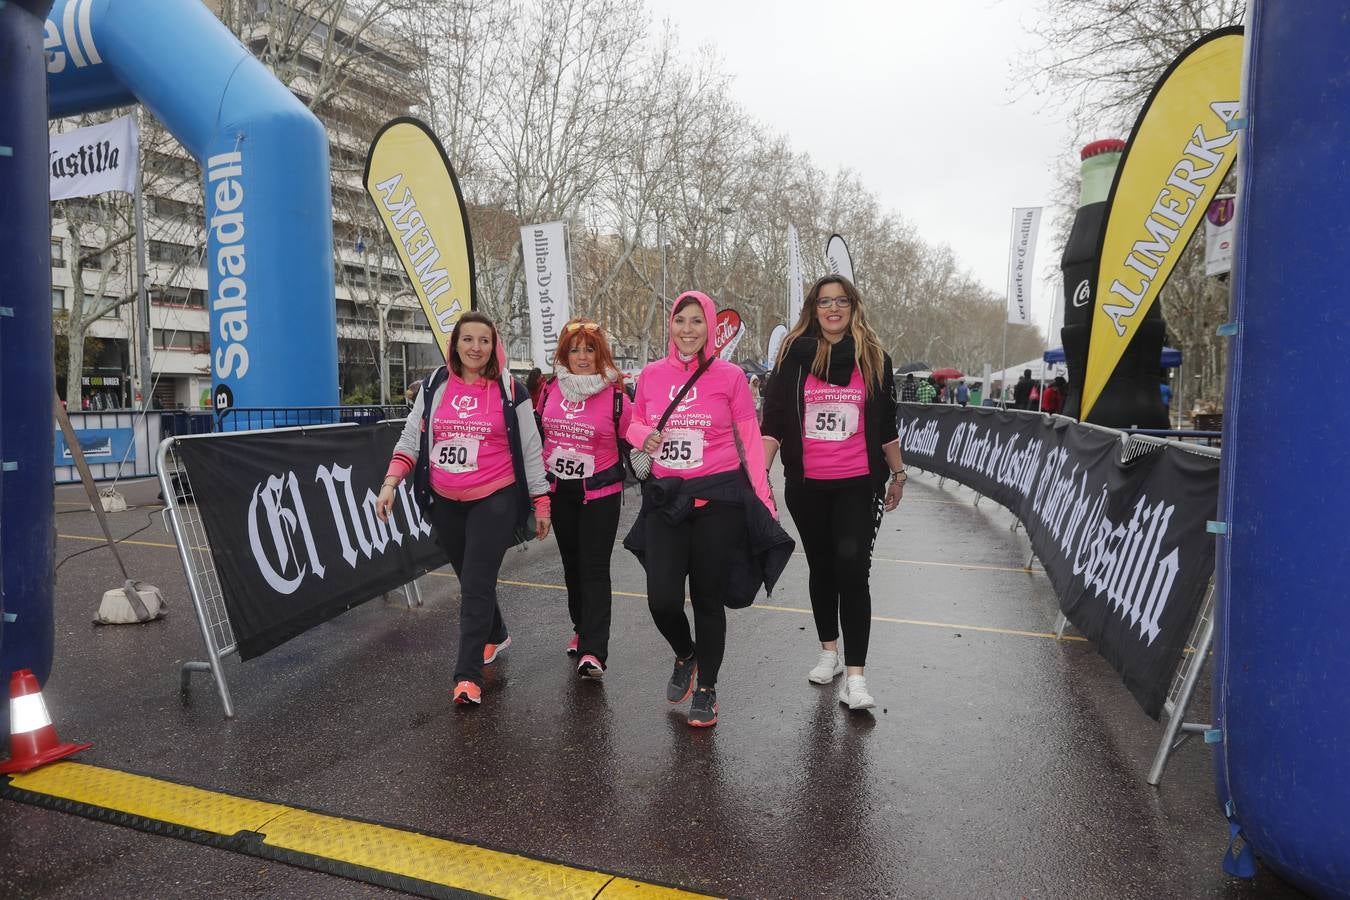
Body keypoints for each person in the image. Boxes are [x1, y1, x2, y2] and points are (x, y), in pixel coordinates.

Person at [623, 291, 792, 728]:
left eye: (697, 321)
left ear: (711, 327)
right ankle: (686, 654)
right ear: (670, 324)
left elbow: (751, 443)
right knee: (661, 599)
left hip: (719, 501)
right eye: (681, 320)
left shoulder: (731, 377)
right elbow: (632, 423)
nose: (688, 329)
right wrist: (643, 434)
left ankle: (708, 689)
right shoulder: (651, 375)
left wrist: (765, 499)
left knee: (706, 600)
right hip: (666, 500)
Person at [376, 311, 551, 707]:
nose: (476, 347)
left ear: (494, 346)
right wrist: (390, 483)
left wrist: (541, 501)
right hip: (445, 500)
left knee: (474, 583)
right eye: (467, 339)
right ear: (455, 344)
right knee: (472, 578)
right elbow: (410, 438)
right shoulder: (436, 384)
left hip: (495, 497)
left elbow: (531, 450)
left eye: (484, 340)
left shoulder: (512, 390)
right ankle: (497, 632)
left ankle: (467, 676)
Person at [761, 274, 905, 711]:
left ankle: (857, 679)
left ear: (853, 306)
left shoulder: (874, 358)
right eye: (825, 302)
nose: (833, 308)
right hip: (807, 486)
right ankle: (829, 653)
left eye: (841, 300)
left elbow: (886, 425)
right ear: (813, 308)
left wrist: (897, 475)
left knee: (852, 570)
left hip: (858, 485)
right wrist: (759, 477)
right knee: (822, 569)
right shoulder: (793, 356)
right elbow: (774, 421)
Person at [536, 318, 633, 677]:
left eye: (589, 349)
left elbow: (633, 432)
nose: (581, 356)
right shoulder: (550, 389)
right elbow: (538, 436)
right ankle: (580, 627)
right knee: (572, 566)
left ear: (600, 353)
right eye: (574, 349)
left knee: (594, 568)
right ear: (564, 353)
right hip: (560, 491)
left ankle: (594, 649)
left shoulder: (616, 394)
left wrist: (651, 439)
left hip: (601, 494)